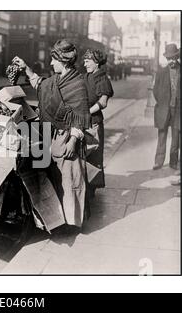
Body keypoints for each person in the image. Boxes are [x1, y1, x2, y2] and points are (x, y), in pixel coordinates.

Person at [13, 39, 91, 228]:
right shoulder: (54, 81)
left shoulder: (78, 84)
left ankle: (73, 223)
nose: (50, 64)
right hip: (52, 135)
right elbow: (40, 85)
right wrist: (26, 69)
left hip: (67, 138)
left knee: (70, 181)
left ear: (63, 61)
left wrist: (73, 141)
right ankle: (57, 220)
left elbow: (80, 115)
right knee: (55, 180)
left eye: (53, 60)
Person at [83, 49, 114, 198]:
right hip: (84, 122)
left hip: (94, 122)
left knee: (93, 157)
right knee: (85, 155)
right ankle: (86, 186)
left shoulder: (102, 79)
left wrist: (87, 112)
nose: (85, 64)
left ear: (96, 62)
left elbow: (103, 102)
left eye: (87, 61)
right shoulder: (87, 76)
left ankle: (91, 189)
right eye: (84, 61)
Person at [153, 43, 181, 171]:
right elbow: (155, 90)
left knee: (176, 137)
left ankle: (173, 162)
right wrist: (163, 102)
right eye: (169, 58)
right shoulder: (161, 72)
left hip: (179, 110)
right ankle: (158, 161)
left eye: (174, 58)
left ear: (177, 57)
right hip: (164, 109)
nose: (172, 61)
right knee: (162, 136)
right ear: (166, 59)